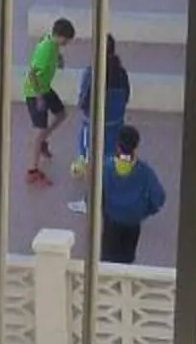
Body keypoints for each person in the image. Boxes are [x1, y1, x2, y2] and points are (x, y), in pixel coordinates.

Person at [69, 34, 131, 211]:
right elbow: (126, 96)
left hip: (94, 127)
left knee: (90, 161)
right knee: (111, 162)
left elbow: (83, 102)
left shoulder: (91, 72)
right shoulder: (122, 73)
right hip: (116, 126)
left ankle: (90, 202)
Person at [99, 122, 168, 263]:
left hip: (111, 220)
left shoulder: (106, 168)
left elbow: (93, 195)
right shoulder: (144, 171)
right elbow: (159, 197)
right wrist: (146, 211)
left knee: (107, 259)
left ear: (117, 145)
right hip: (133, 222)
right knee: (127, 258)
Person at [21, 15, 77, 183]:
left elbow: (53, 51)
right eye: (66, 40)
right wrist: (39, 98)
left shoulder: (51, 42)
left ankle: (44, 139)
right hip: (35, 92)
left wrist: (59, 58)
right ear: (59, 36)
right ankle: (32, 170)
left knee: (61, 114)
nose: (66, 44)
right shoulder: (45, 49)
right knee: (38, 130)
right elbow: (32, 74)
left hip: (45, 88)